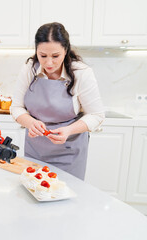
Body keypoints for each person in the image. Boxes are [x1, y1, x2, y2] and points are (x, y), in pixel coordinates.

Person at [11, 22, 105, 180]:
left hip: (69, 152)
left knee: (66, 197)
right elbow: (16, 107)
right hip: (35, 151)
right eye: (42, 56)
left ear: (66, 50)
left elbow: (97, 115)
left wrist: (68, 130)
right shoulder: (29, 68)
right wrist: (29, 122)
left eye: (55, 56)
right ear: (36, 51)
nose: (48, 63)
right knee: (34, 194)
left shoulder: (81, 72)